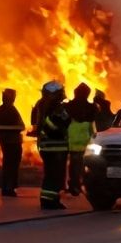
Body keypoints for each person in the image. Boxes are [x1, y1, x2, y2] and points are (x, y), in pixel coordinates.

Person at [32, 81, 72, 210]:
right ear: (55, 93)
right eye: (60, 92)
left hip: (46, 145)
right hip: (56, 146)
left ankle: (48, 200)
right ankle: (51, 202)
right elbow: (61, 123)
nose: (62, 95)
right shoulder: (56, 107)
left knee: (50, 174)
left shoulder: (40, 104)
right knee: (55, 175)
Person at [64, 83, 97, 196]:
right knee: (84, 166)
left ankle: (74, 185)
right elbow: (93, 127)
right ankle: (82, 185)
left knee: (74, 165)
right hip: (86, 142)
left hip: (72, 142)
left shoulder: (68, 107)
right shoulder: (92, 108)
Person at [0, 88, 25, 197]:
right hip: (12, 141)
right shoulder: (11, 110)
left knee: (8, 164)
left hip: (5, 141)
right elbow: (21, 126)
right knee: (12, 165)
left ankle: (6, 187)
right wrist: (18, 128)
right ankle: (9, 188)